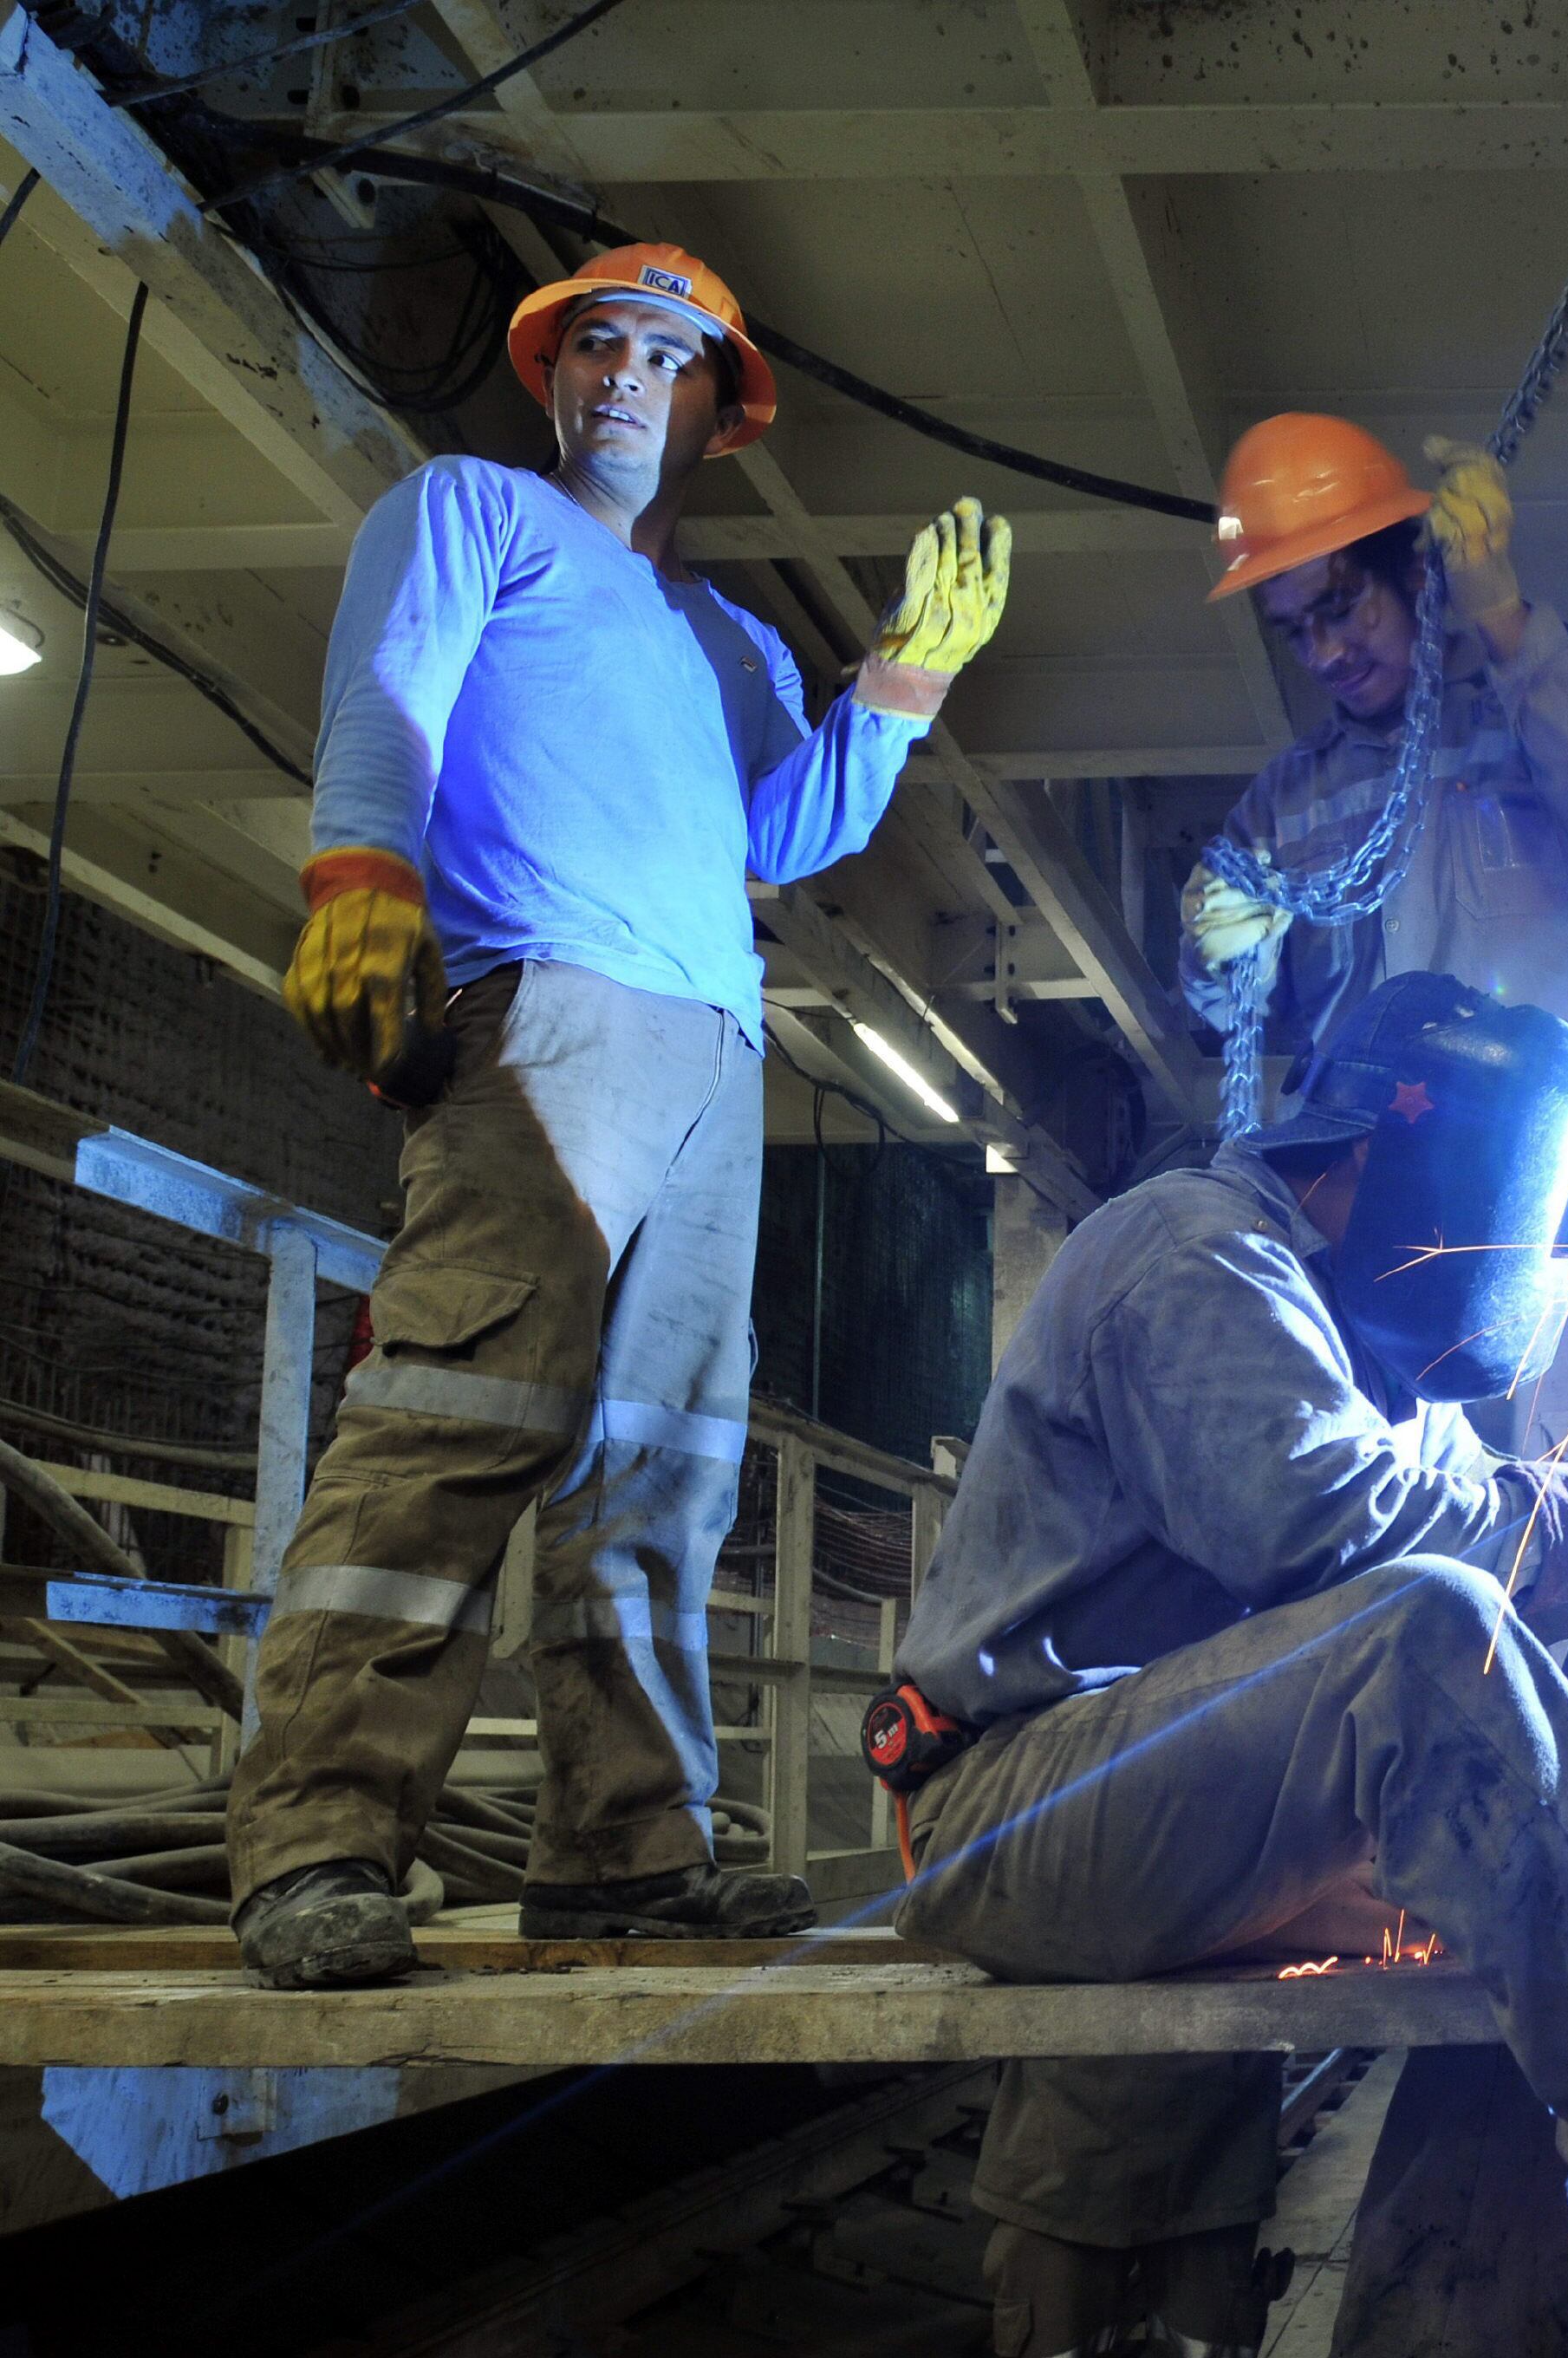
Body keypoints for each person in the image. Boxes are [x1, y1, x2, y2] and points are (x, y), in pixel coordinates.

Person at [877, 970, 1568, 2358]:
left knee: (1533, 1917)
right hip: (1006, 1807)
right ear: (1419, 1170)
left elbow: (1497, 1551)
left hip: (1151, 1812)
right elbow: (1345, 1546)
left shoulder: (1381, 1377)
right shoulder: (1194, 1253)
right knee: (1426, 1635)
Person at [231, 242, 1016, 1988]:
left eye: (664, 356)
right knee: (458, 1406)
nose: (620, 377)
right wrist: (360, 871)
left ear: (712, 410)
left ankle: (626, 1853)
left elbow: (784, 834)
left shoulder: (721, 638)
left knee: (661, 1462)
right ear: (553, 372)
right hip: (542, 1013)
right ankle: (320, 1840)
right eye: (596, 344)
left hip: (712, 1049)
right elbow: (390, 689)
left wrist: (902, 680)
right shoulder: (467, 517)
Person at [1178, 413, 1568, 1098]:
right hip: (1367, 1176)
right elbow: (1237, 1016)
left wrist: (1498, 610)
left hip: (1544, 1153)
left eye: (1341, 608)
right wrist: (1213, 952)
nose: (1324, 654)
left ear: (1414, 575)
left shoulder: (1529, 724)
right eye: (1295, 631)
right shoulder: (1280, 808)